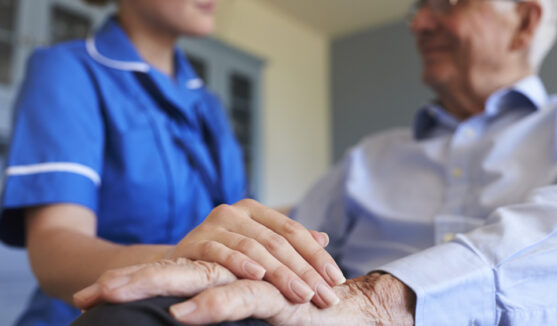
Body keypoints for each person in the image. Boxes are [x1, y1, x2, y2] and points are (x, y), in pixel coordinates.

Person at [71, 0, 557, 325]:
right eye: (418, 8)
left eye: (444, 3)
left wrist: (381, 303)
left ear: (525, 21)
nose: (419, 23)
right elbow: (285, 250)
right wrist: (233, 252)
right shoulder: (368, 158)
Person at [0, 0, 346, 325]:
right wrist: (185, 260)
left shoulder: (208, 105)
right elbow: (55, 253)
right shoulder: (68, 70)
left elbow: (231, 216)